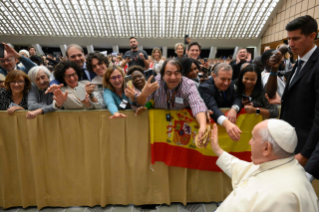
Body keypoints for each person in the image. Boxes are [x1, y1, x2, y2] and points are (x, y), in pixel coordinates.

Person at [210, 119, 319, 212]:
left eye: (253, 138)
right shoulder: (279, 163)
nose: (249, 142)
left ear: (266, 148)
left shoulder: (282, 197)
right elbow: (240, 167)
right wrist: (217, 149)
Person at [267, 15, 319, 182]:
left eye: (296, 38)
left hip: (307, 149)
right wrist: (274, 70)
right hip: (291, 143)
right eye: (288, 39)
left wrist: (306, 153)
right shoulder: (299, 63)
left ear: (312, 35)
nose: (290, 44)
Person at [134, 59, 208, 142]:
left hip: (181, 130)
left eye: (177, 73)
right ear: (162, 75)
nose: (173, 77)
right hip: (159, 129)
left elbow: (197, 103)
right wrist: (144, 94)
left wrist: (202, 126)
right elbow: (139, 102)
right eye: (169, 74)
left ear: (181, 74)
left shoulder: (189, 85)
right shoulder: (155, 82)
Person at [199, 63, 242, 141]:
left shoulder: (231, 84)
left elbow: (238, 98)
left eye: (229, 79)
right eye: (223, 79)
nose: (226, 83)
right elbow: (212, 108)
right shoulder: (205, 88)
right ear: (214, 76)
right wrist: (227, 124)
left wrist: (234, 109)